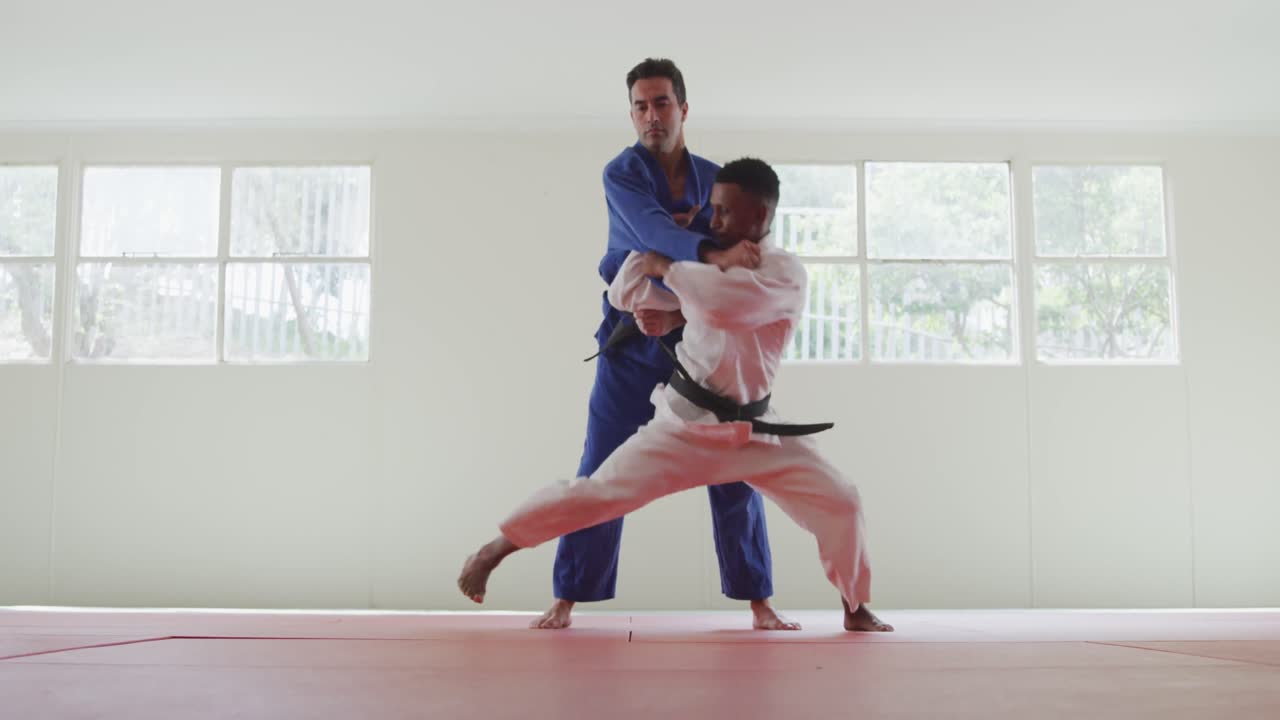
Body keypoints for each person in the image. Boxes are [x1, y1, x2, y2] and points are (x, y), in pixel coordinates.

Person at [461, 158, 892, 633]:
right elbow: (626, 292)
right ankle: (496, 548)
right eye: (714, 210)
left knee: (842, 499)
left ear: (761, 216)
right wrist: (656, 248)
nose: (716, 221)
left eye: (727, 212)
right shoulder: (697, 263)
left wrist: (670, 265)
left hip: (755, 432)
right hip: (684, 427)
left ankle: (854, 606)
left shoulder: (784, 272)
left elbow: (727, 304)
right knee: (596, 493)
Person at [533, 58, 792, 632]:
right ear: (632, 114)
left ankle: (758, 599)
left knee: (732, 456)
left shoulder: (717, 177)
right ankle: (568, 596)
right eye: (641, 106)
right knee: (601, 462)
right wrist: (702, 252)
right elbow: (650, 234)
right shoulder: (620, 174)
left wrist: (678, 294)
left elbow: (738, 257)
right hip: (629, 341)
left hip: (699, 339)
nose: (652, 115)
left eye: (662, 103)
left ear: (683, 108)